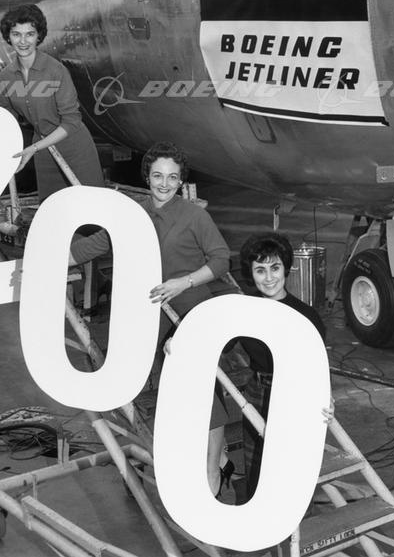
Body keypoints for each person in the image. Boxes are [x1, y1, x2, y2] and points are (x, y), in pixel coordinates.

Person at [70, 141, 237, 495]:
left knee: (204, 393)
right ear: (147, 176)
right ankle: (208, 457)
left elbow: (221, 260)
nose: (164, 184)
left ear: (181, 181)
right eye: (158, 175)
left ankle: (213, 469)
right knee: (176, 393)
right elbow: (94, 245)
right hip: (153, 317)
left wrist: (183, 282)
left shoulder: (194, 216)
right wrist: (43, 259)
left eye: (172, 177)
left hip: (191, 311)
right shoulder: (133, 214)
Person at [234, 232, 327, 502]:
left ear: (286, 268)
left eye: (275, 268)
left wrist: (325, 399)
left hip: (294, 398)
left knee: (294, 474)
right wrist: (176, 339)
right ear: (251, 274)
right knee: (257, 471)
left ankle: (297, 523)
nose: (269, 278)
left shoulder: (306, 316)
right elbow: (212, 337)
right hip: (257, 394)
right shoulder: (243, 312)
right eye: (260, 270)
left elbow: (317, 368)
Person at [0, 4, 104, 200]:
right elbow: (5, 116)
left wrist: (34, 148)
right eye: (16, 34)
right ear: (8, 37)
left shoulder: (56, 70)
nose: (23, 41)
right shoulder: (6, 76)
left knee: (89, 209)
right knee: (51, 209)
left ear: (39, 36)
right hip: (43, 152)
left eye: (29, 34)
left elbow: (71, 121)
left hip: (74, 147)